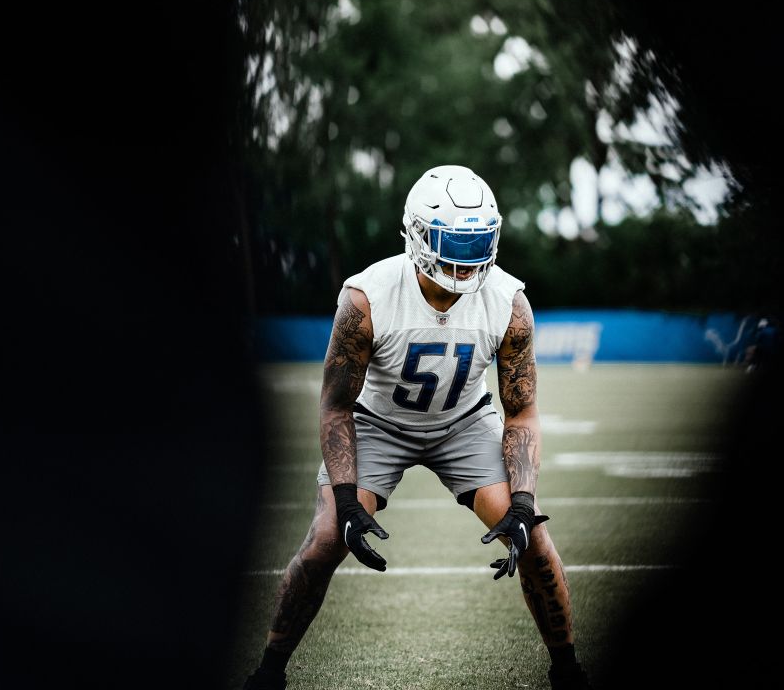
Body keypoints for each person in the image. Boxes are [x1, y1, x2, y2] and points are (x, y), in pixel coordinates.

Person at [243, 166, 591, 689]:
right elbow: (337, 406)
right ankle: (268, 672)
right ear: (419, 235)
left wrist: (521, 501)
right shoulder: (367, 297)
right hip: (378, 422)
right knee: (323, 540)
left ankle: (568, 671)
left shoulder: (509, 301)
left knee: (534, 540)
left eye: (478, 241)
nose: (468, 257)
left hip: (464, 423)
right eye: (455, 240)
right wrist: (345, 501)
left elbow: (520, 413)